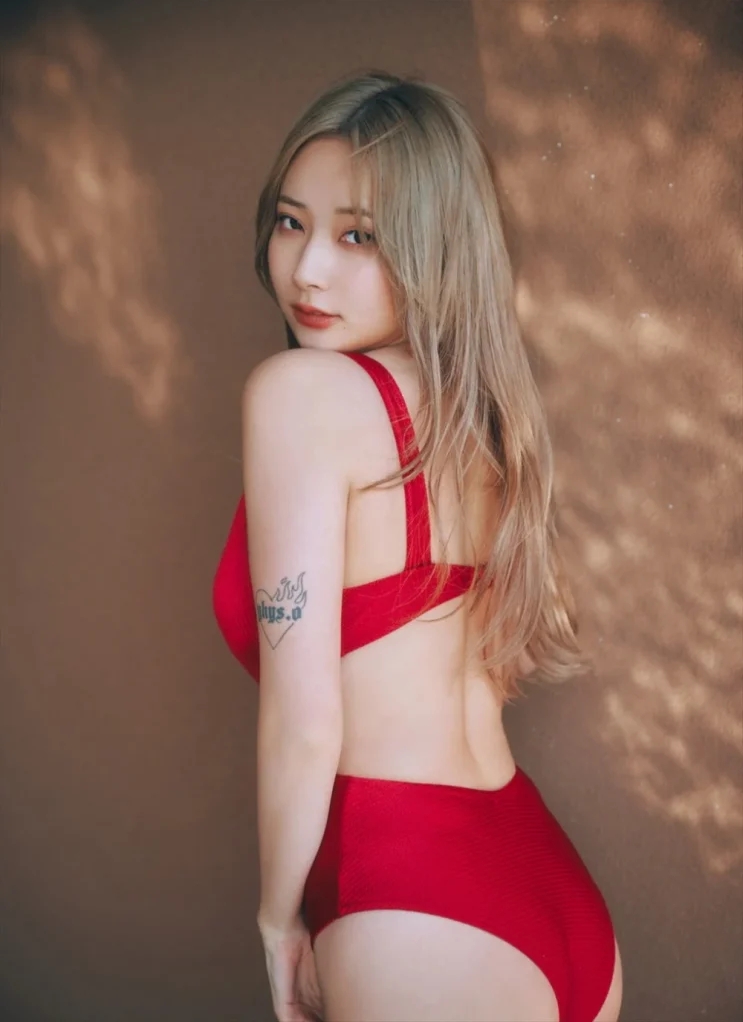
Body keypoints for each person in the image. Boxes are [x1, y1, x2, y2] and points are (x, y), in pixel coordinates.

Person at [213, 69, 623, 1022]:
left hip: (414, 908)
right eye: (290, 223)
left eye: (358, 235)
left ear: (435, 248)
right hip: (552, 895)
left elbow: (305, 717)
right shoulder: (483, 422)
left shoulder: (300, 396)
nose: (308, 270)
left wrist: (276, 922)